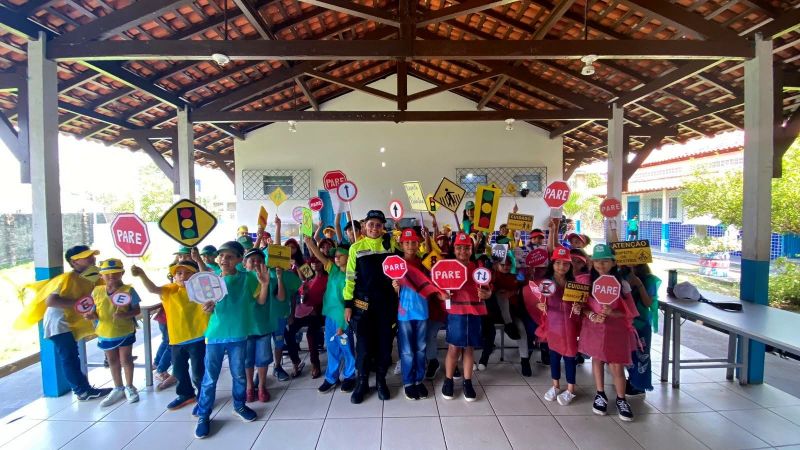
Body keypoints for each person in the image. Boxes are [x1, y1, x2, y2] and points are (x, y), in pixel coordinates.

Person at [14, 245, 112, 401]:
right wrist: (78, 303)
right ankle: (82, 391)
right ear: (74, 263)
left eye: (92, 255)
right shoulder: (65, 279)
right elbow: (51, 300)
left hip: (70, 322)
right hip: (58, 324)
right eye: (87, 257)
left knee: (73, 355)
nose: (92, 258)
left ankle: (83, 389)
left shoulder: (92, 277)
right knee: (70, 357)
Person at [194, 241, 271, 439]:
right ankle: (203, 414)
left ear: (238, 259)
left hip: (238, 334)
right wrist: (208, 307)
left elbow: (261, 301)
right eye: (221, 256)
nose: (224, 260)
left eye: (229, 256)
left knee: (239, 375)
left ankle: (239, 405)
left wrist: (264, 285)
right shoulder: (212, 280)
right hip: (215, 335)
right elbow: (208, 306)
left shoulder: (248, 278)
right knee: (210, 377)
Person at [132, 260, 210, 412]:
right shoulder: (169, 290)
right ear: (174, 276)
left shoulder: (200, 289)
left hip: (199, 337)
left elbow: (206, 276)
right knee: (179, 370)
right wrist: (142, 275)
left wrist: (199, 260)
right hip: (177, 339)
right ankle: (186, 394)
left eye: (188, 273)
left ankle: (203, 396)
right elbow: (153, 289)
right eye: (179, 273)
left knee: (198, 371)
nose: (183, 276)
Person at [579, 244, 638, 422]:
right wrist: (590, 314)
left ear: (613, 262)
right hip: (594, 328)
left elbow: (631, 312)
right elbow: (582, 307)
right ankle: (600, 394)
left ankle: (621, 399)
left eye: (604, 261)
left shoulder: (623, 285)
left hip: (616, 330)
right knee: (597, 360)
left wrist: (613, 313)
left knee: (616, 365)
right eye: (596, 261)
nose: (600, 265)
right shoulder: (587, 282)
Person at [344, 210, 398, 404]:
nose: (374, 228)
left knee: (384, 344)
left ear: (383, 226)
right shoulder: (356, 248)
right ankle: (362, 382)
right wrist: (348, 305)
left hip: (386, 304)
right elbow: (350, 278)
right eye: (371, 224)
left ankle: (382, 381)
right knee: (364, 345)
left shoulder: (391, 245)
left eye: (378, 224)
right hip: (362, 304)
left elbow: (399, 271)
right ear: (365, 225)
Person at [393, 228, 444, 400]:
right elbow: (391, 290)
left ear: (418, 244)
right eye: (407, 243)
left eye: (413, 242)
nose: (410, 246)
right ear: (401, 244)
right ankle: (408, 382)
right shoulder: (396, 264)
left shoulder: (425, 263)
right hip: (404, 313)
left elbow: (434, 282)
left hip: (422, 311)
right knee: (407, 350)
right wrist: (394, 287)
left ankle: (418, 380)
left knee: (421, 348)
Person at [441, 232, 492, 402]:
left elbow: (488, 290)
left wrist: (486, 293)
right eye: (459, 247)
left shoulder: (478, 267)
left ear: (472, 249)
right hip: (456, 314)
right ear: (454, 249)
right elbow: (438, 292)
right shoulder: (446, 267)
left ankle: (467, 382)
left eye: (467, 247)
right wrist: (443, 295)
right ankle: (448, 381)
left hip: (475, 313)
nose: (463, 250)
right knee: (454, 348)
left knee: (469, 349)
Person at [84, 259, 141, 406]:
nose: (111, 276)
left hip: (125, 331)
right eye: (107, 274)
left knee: (126, 359)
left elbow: (137, 310)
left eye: (115, 273)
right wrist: (91, 315)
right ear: (101, 276)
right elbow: (93, 311)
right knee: (112, 361)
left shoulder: (129, 290)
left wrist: (125, 315)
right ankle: (118, 387)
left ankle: (129, 386)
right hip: (105, 332)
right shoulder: (96, 291)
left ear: (122, 273)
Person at [535, 247, 586, 406]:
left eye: (565, 264)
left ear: (570, 266)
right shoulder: (546, 283)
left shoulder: (575, 284)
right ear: (553, 263)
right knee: (554, 356)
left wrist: (579, 308)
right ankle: (555, 386)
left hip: (570, 326)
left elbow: (581, 304)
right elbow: (538, 301)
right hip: (552, 325)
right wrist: (540, 305)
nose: (561, 267)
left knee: (570, 357)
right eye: (558, 263)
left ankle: (571, 389)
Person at [305, 238, 357, 393]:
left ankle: (349, 376)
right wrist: (310, 244)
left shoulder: (352, 276)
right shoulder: (333, 270)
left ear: (349, 257)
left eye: (341, 255)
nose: (337, 257)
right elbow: (321, 257)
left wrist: (342, 324)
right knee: (332, 348)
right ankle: (331, 378)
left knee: (346, 347)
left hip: (343, 319)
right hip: (330, 317)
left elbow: (350, 302)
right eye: (335, 255)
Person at [243, 248, 279, 403]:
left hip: (263, 326)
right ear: (245, 264)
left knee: (263, 359)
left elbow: (268, 299)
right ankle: (250, 387)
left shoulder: (270, 278)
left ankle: (262, 386)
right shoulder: (240, 279)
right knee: (247, 360)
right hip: (245, 328)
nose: (256, 263)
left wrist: (270, 280)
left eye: (259, 260)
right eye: (252, 260)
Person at [284, 254, 326, 379]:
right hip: (303, 311)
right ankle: (296, 362)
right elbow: (303, 298)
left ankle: (315, 364)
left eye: (318, 262)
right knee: (288, 331)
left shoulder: (327, 278)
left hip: (318, 312)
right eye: (313, 262)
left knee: (311, 334)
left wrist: (317, 308)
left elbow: (327, 297)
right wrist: (305, 293)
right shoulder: (309, 278)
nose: (315, 264)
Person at [625, 263, 660, 396]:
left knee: (640, 354)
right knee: (626, 353)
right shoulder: (620, 275)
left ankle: (639, 385)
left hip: (641, 323)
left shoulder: (649, 279)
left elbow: (648, 303)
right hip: (623, 321)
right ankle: (630, 379)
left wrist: (638, 284)